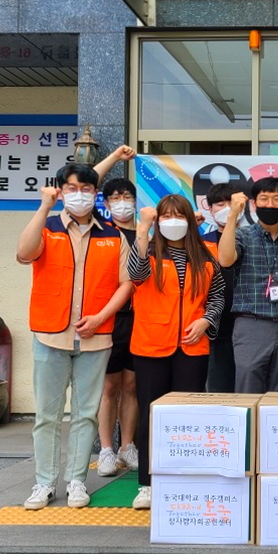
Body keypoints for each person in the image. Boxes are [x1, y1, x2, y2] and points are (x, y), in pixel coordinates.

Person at [16, 163, 133, 510]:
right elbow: (24, 253)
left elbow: (126, 283)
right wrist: (44, 207)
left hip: (96, 338)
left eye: (85, 189)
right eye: (71, 188)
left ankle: (77, 481)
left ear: (95, 194)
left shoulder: (112, 235)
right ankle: (44, 482)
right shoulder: (48, 227)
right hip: (50, 335)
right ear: (61, 191)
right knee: (47, 415)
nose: (78, 195)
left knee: (85, 414)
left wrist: (101, 317)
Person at [129, 194, 225, 510]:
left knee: (187, 417)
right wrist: (142, 231)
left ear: (189, 220)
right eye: (167, 216)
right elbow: (135, 274)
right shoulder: (148, 251)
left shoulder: (206, 254)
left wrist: (206, 320)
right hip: (151, 345)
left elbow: (218, 295)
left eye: (179, 215)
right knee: (150, 416)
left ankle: (184, 479)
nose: (173, 221)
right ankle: (147, 484)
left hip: (192, 347)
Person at [217, 177, 278, 393]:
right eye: (264, 199)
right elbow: (225, 259)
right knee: (248, 390)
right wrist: (232, 216)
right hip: (251, 324)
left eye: (276, 199)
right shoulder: (243, 235)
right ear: (254, 204)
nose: (270, 204)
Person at [95, 176, 140, 476]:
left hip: (141, 319)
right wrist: (115, 156)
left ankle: (127, 446)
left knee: (131, 385)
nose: (122, 202)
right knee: (109, 386)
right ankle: (106, 450)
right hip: (109, 318)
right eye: (115, 197)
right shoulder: (102, 231)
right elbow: (88, 181)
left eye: (127, 196)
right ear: (106, 203)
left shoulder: (149, 233)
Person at [201, 182, 242, 393]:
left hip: (246, 325)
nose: (226, 208)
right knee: (219, 389)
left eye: (230, 203)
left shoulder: (249, 238)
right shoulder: (199, 242)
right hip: (214, 327)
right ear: (209, 209)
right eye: (219, 204)